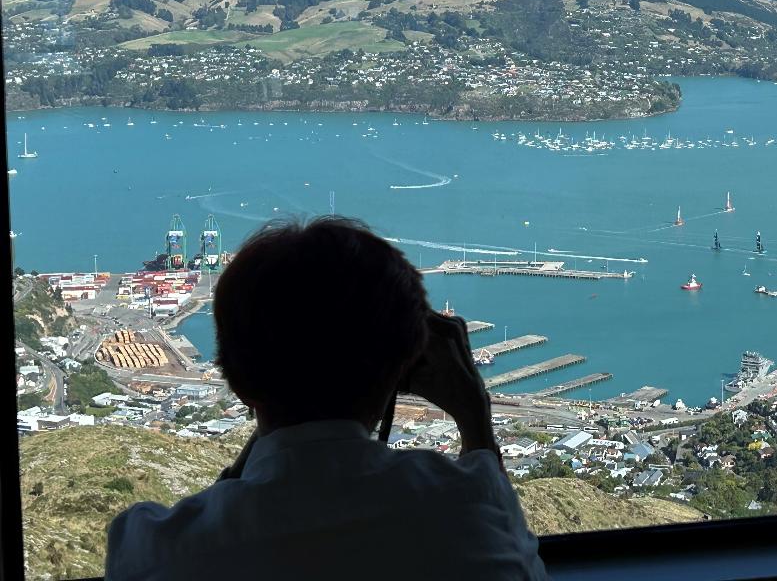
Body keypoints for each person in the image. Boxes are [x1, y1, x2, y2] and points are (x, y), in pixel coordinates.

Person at [106, 217, 547, 581]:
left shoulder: (152, 548)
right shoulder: (468, 513)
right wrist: (475, 415)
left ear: (238, 383)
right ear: (402, 368)